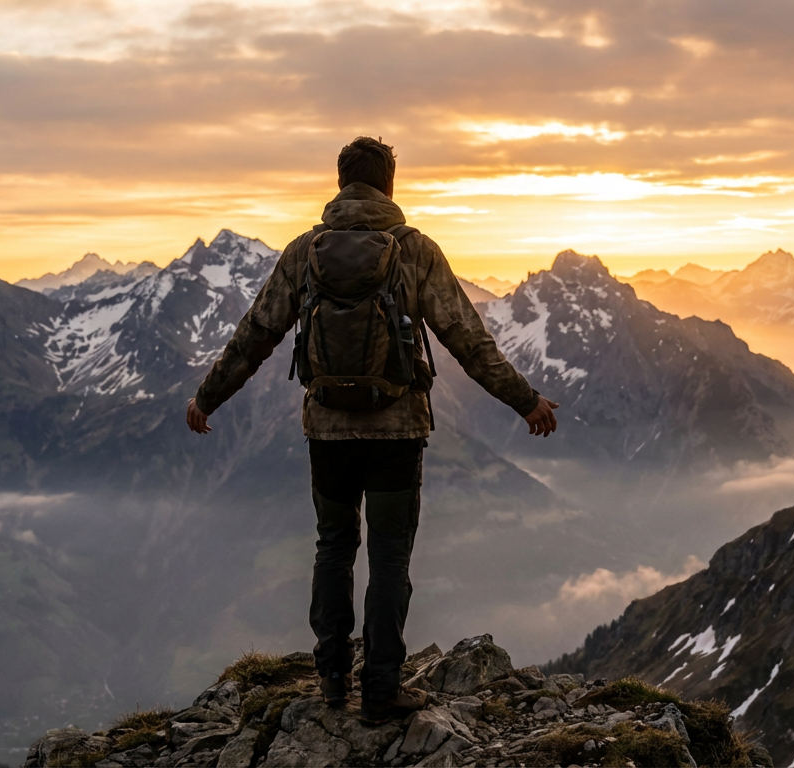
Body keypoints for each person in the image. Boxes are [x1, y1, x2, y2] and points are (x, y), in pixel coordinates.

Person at [184, 136, 559, 723]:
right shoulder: (415, 250)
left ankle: (332, 679)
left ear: (340, 183)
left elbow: (256, 332)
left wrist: (207, 397)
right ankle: (382, 688)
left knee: (333, 548)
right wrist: (526, 400)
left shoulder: (305, 251)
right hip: (397, 432)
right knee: (388, 558)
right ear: (389, 185)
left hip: (328, 431)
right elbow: (467, 338)